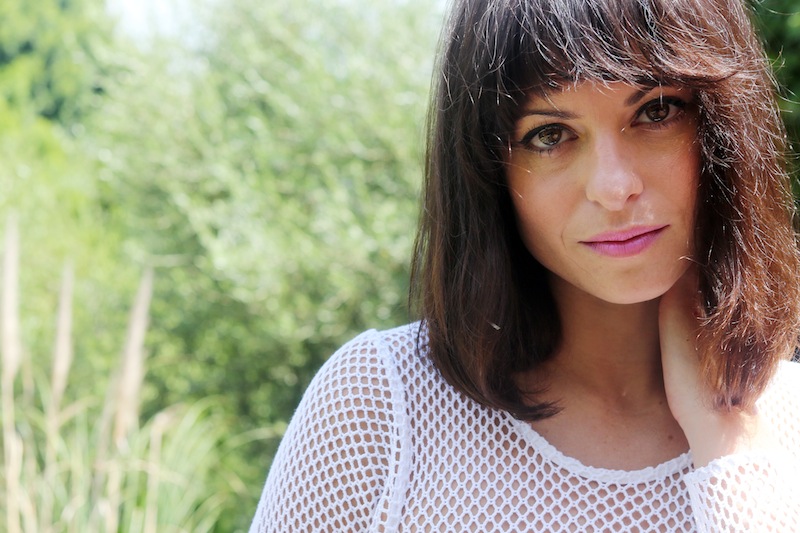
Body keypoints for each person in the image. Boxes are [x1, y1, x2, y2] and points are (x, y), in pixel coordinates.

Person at [249, 0, 800, 530]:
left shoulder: (790, 418)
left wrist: (727, 435)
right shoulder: (380, 406)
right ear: (490, 174)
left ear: (725, 126)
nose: (614, 187)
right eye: (550, 135)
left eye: (656, 111)